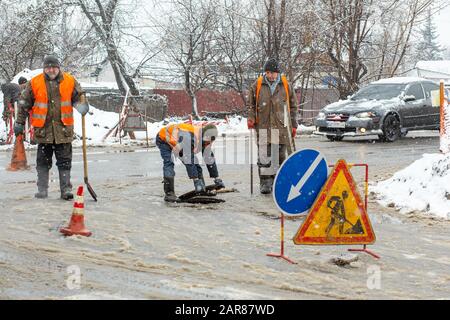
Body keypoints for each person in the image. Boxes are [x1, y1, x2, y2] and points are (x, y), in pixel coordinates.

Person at [14, 55, 89, 200]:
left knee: (65, 162)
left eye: (54, 67)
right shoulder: (35, 82)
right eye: (48, 67)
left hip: (63, 130)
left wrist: (82, 104)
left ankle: (66, 189)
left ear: (58, 67)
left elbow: (79, 95)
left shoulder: (70, 80)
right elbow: (23, 104)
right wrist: (19, 122)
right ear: (44, 68)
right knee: (43, 163)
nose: (51, 70)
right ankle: (42, 190)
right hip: (43, 130)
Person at [246, 57, 298, 194]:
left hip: (281, 127)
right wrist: (251, 118)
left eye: (272, 73)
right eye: (267, 72)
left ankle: (278, 180)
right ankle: (265, 182)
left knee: (280, 156)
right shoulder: (257, 85)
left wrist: (294, 125)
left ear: (278, 73)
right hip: (263, 125)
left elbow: (293, 106)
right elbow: (250, 104)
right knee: (264, 156)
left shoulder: (285, 85)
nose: (270, 75)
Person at [156, 122, 225, 202]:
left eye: (209, 142)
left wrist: (217, 178)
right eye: (206, 142)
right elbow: (189, 160)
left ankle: (201, 189)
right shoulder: (190, 137)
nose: (207, 144)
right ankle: (169, 194)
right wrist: (196, 180)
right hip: (164, 138)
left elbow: (209, 158)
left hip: (179, 141)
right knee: (169, 163)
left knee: (196, 164)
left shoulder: (206, 139)